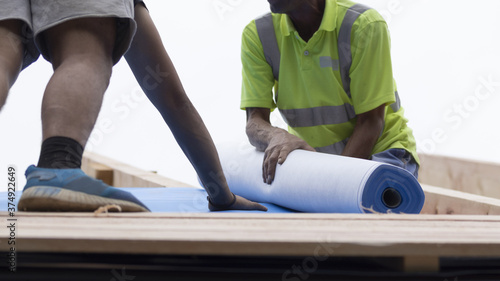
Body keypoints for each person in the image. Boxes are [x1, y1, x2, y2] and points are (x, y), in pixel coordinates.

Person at [0, 1, 265, 212]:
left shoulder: (131, 9)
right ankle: (56, 166)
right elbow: (173, 100)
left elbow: (173, 100)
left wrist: (221, 195)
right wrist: (221, 196)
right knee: (86, 50)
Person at [241, 0, 419, 185]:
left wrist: (333, 184)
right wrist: (275, 136)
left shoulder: (364, 25)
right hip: (319, 161)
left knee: (372, 204)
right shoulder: (258, 35)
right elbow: (254, 121)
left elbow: (371, 122)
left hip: (383, 152)